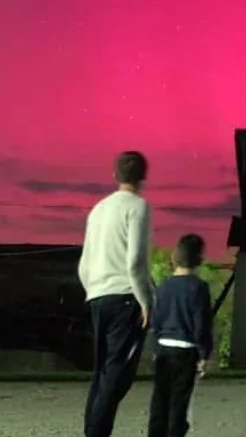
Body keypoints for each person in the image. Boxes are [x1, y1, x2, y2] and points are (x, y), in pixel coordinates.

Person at [79, 151, 155, 437]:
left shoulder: (98, 210)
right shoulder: (138, 207)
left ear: (115, 175)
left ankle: (92, 430)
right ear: (144, 176)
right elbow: (135, 260)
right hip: (126, 296)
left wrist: (93, 290)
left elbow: (84, 263)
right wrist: (145, 299)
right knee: (117, 375)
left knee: (101, 373)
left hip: (98, 295)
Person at [147, 233, 213, 437]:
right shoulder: (199, 288)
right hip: (186, 349)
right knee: (179, 402)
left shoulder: (164, 288)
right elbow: (201, 324)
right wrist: (204, 354)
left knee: (160, 399)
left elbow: (155, 321)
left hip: (164, 347)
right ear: (199, 258)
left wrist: (155, 348)